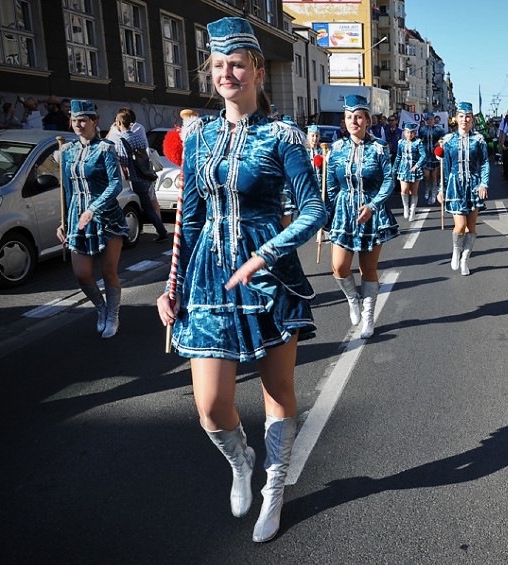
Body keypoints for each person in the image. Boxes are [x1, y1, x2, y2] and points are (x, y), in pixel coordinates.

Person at [155, 16, 327, 544]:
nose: (228, 72)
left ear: (256, 69)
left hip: (269, 277)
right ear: (212, 72)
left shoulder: (282, 135)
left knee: (278, 390)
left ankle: (274, 485)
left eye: (237, 64)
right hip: (208, 276)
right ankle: (241, 461)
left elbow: (313, 208)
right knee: (210, 406)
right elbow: (190, 218)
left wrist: (265, 254)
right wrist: (172, 285)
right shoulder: (200, 135)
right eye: (219, 65)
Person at [327, 93, 398, 339]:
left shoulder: (379, 147)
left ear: (367, 120)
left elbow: (389, 181)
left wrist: (373, 205)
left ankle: (369, 316)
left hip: (371, 214)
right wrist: (330, 212)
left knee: (368, 269)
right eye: (349, 117)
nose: (353, 122)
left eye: (358, 117)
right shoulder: (335, 149)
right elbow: (331, 185)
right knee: (338, 266)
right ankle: (352, 298)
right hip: (344, 213)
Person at [56, 99, 128, 338]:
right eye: (74, 120)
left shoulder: (106, 148)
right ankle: (101, 308)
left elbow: (116, 183)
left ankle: (113, 316)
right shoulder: (67, 151)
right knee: (82, 273)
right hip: (78, 218)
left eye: (83, 120)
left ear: (95, 122)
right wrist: (63, 221)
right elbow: (66, 189)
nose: (78, 124)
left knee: (108, 271)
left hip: (106, 217)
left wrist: (94, 208)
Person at [438, 101, 489, 276]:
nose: (465, 120)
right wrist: (441, 189)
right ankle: (456, 250)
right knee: (460, 226)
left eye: (468, 117)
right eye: (461, 116)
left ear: (472, 119)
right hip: (455, 185)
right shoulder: (448, 140)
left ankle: (465, 259)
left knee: (471, 227)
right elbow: (445, 167)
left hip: (474, 185)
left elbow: (484, 163)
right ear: (456, 118)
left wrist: (484, 183)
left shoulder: (479, 140)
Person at [114, 108, 169, 242]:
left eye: (116, 122)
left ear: (120, 123)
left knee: (146, 207)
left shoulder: (123, 140)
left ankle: (162, 232)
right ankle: (161, 230)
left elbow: (125, 161)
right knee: (148, 203)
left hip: (136, 177)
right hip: (146, 173)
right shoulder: (138, 137)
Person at [393, 122, 426, 222]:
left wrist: (417, 166)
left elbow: (423, 155)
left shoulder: (418, 142)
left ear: (414, 133)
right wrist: (394, 168)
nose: (409, 134)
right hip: (403, 168)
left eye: (412, 132)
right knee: (404, 190)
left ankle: (412, 211)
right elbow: (398, 156)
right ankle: (406, 207)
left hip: (415, 169)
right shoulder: (401, 143)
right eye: (407, 132)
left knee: (414, 191)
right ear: (404, 133)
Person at [419, 112, 444, 204]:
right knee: (426, 175)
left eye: (431, 119)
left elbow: (445, 136)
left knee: (434, 176)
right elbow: (418, 139)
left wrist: (440, 141)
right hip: (426, 155)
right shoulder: (422, 129)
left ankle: (433, 194)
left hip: (435, 155)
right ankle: (427, 189)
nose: (430, 121)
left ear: (434, 120)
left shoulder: (438, 129)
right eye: (428, 119)